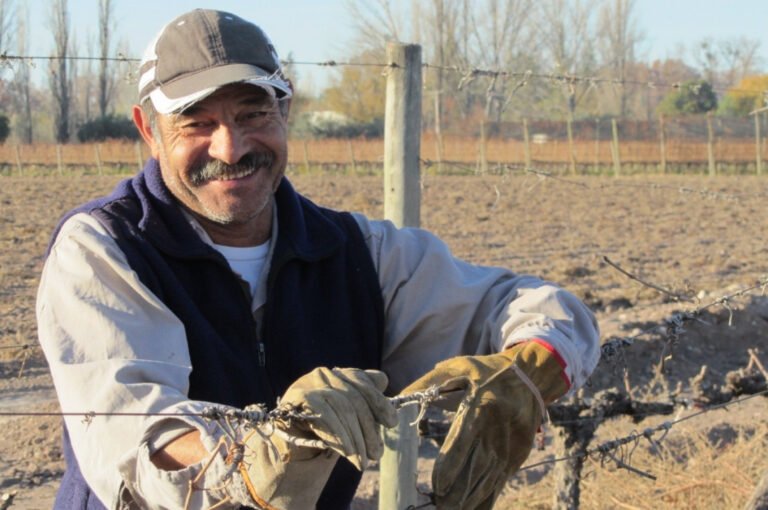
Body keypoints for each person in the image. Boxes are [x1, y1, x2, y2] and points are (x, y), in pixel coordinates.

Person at [36, 8, 600, 510]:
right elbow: (135, 426)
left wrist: (532, 368)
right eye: (197, 122)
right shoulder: (107, 248)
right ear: (148, 131)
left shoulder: (355, 253)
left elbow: (526, 306)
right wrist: (267, 453)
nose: (230, 148)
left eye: (252, 113)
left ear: (286, 109)